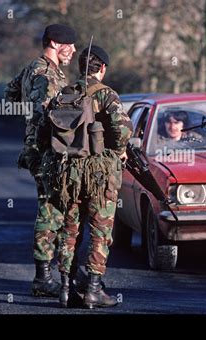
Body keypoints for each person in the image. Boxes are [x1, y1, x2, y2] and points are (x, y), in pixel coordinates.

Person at [45, 45, 133, 308]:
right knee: (100, 230)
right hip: (99, 174)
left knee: (70, 230)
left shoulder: (64, 94)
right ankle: (94, 290)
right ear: (102, 68)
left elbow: (46, 131)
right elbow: (124, 131)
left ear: (79, 67)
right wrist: (117, 153)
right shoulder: (107, 95)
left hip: (68, 174)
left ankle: (65, 289)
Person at [4, 24, 77, 297]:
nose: (74, 51)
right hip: (47, 152)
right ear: (56, 44)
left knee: (54, 207)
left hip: (43, 149)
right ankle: (43, 278)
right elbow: (47, 112)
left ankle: (54, 272)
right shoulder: (44, 73)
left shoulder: (33, 67)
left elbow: (9, 94)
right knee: (50, 209)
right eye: (70, 45)